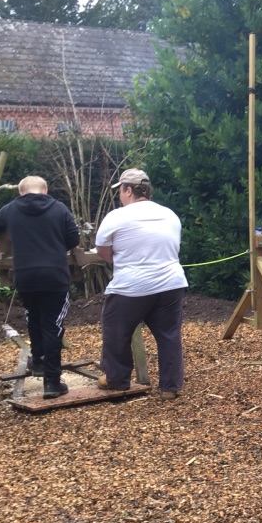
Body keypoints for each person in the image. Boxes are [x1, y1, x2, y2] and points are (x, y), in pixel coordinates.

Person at [95, 168, 188, 400]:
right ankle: (170, 387)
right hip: (171, 283)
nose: (120, 196)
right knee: (169, 334)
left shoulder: (116, 216)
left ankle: (117, 379)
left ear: (128, 190)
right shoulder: (169, 214)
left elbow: (103, 251)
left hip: (131, 287)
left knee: (116, 330)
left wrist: (120, 261)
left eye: (121, 191)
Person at [0, 175, 81, 399]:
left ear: (21, 193)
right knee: (52, 326)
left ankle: (38, 361)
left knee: (33, 318)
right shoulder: (59, 209)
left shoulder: (11, 209)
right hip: (54, 276)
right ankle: (52, 382)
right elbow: (73, 239)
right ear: (46, 191)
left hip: (25, 276)